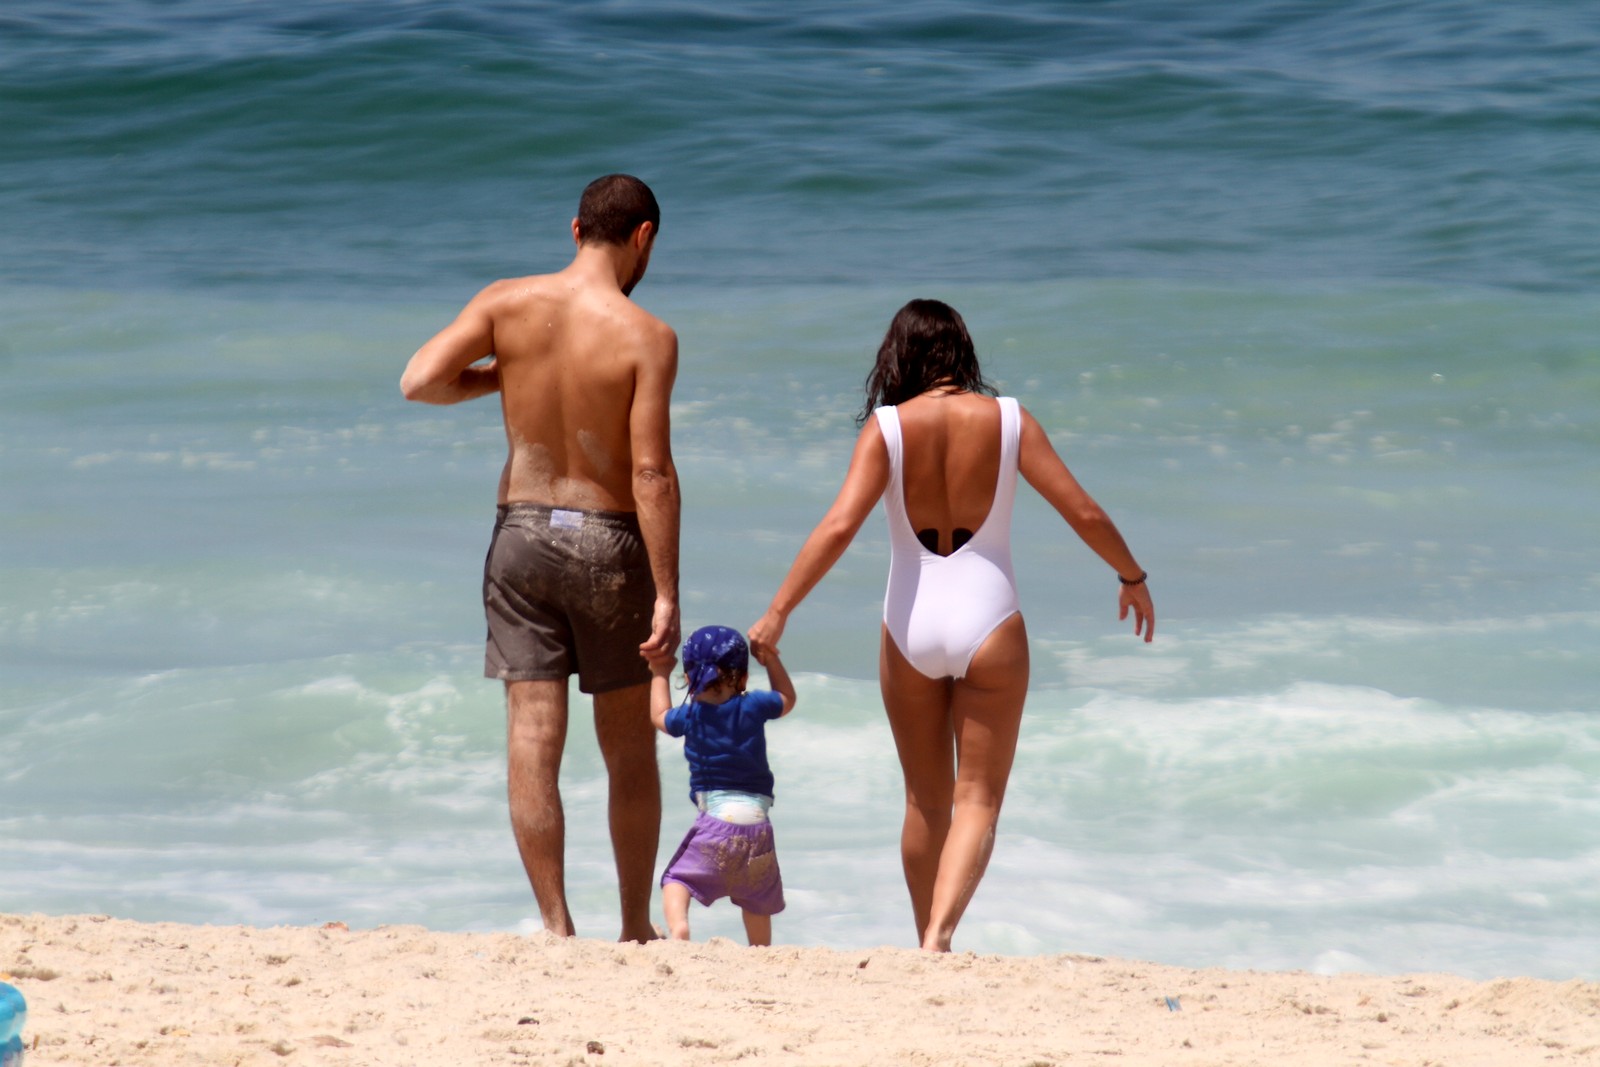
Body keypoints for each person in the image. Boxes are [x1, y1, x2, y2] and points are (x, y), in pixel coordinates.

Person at [748, 299, 1154, 952]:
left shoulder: (888, 427)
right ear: (961, 352)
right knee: (978, 801)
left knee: (923, 802)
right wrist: (1131, 576)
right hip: (989, 619)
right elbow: (1082, 509)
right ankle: (940, 934)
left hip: (910, 623)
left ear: (899, 357)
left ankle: (923, 942)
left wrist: (778, 611)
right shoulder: (1010, 421)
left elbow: (838, 525)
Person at [399, 174, 680, 943]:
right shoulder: (646, 335)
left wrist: (502, 375)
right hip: (606, 539)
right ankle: (633, 925)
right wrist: (666, 591)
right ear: (642, 237)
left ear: (573, 229)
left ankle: (557, 927)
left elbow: (419, 380)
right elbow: (651, 471)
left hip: (520, 533)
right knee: (625, 747)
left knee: (532, 736)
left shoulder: (505, 302)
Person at [649, 625, 796, 947]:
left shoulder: (691, 717)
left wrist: (659, 672)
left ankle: (680, 930)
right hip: (758, 827)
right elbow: (787, 699)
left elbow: (659, 715)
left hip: (715, 823)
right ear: (742, 677)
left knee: (676, 880)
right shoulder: (754, 705)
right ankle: (760, 949)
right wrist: (770, 659)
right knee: (756, 898)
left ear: (688, 679)